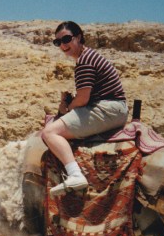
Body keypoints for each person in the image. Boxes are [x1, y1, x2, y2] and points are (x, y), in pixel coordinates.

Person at [40, 21, 129, 196]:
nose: (63, 45)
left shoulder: (84, 62)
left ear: (79, 37)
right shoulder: (88, 57)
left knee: (49, 133)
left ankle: (75, 175)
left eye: (66, 39)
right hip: (113, 108)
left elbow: (82, 99)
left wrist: (67, 109)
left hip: (108, 109)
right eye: (58, 42)